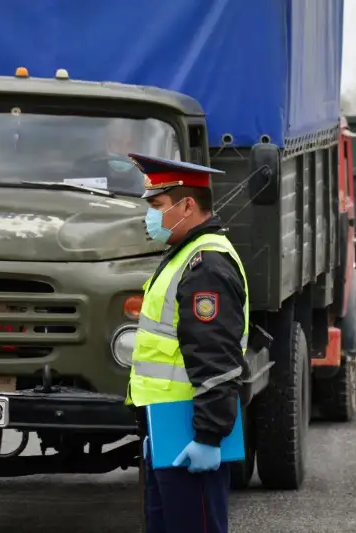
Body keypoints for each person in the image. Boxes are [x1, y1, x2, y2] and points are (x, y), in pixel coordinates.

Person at [125, 153, 249, 533]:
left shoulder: (205, 265)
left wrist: (208, 436)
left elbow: (215, 356)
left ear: (187, 206)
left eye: (158, 205)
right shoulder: (184, 256)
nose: (150, 216)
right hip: (169, 429)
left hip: (189, 434)